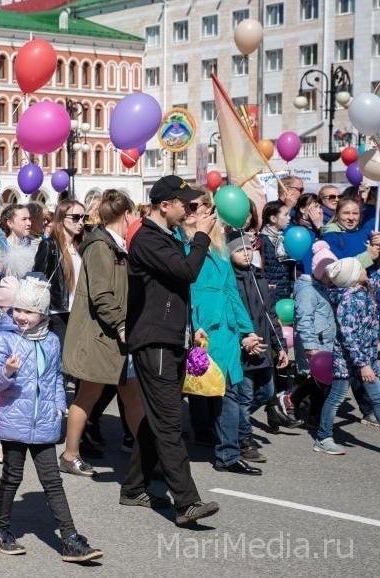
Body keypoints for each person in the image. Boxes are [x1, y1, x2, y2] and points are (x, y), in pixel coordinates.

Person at [121, 175, 219, 526]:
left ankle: (133, 487)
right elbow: (187, 271)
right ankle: (186, 502)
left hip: (171, 337)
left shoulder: (167, 236)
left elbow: (178, 286)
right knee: (170, 421)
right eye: (185, 204)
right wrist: (203, 236)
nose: (191, 209)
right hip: (155, 340)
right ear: (165, 205)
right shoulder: (148, 238)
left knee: (160, 416)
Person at [0, 276, 102, 563]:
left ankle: (70, 538)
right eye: (18, 310)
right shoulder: (5, 338)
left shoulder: (50, 341)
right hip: (14, 421)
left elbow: (55, 380)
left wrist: (60, 406)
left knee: (53, 481)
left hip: (45, 422)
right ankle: (0, 530)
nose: (22, 316)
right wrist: (7, 372)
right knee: (12, 477)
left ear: (44, 314)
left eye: (30, 311)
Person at [60, 190, 146, 477]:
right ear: (126, 215)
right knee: (87, 395)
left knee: (132, 395)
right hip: (101, 336)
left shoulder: (117, 245)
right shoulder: (100, 246)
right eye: (134, 214)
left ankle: (147, 454)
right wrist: (121, 324)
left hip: (114, 336)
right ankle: (70, 455)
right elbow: (101, 294)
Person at [183, 194, 266, 476]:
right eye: (196, 209)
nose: (204, 214)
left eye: (207, 209)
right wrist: (193, 326)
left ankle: (228, 454)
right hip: (202, 329)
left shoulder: (219, 248)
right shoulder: (181, 245)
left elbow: (232, 291)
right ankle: (197, 435)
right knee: (199, 386)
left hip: (227, 330)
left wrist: (247, 331)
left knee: (229, 389)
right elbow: (185, 291)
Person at [228, 231, 297, 452]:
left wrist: (281, 347)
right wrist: (243, 339)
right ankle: (243, 438)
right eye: (239, 250)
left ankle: (236, 424)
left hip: (264, 346)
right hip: (245, 347)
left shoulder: (258, 276)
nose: (246, 254)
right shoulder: (230, 279)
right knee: (245, 395)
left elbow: (270, 315)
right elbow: (231, 315)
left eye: (248, 249)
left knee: (266, 393)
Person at [314, 257, 380, 455]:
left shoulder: (364, 289)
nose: (364, 269)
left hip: (366, 356)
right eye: (360, 268)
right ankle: (323, 438)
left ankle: (323, 436)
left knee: (377, 398)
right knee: (336, 397)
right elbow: (349, 336)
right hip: (349, 359)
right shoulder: (348, 300)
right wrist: (362, 364)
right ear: (352, 278)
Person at [33, 200, 86, 338]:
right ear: (62, 218)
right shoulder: (49, 245)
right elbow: (37, 280)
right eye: (75, 217)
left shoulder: (82, 247)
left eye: (83, 217)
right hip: (57, 314)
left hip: (80, 312)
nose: (81, 222)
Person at [259, 200, 294, 303]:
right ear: (273, 218)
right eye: (286, 215)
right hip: (270, 293)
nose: (289, 218)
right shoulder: (261, 240)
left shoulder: (285, 238)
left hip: (286, 291)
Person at [0, 204, 37, 280]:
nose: (29, 223)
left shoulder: (32, 245)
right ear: (10, 223)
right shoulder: (0, 247)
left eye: (29, 219)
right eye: (24, 219)